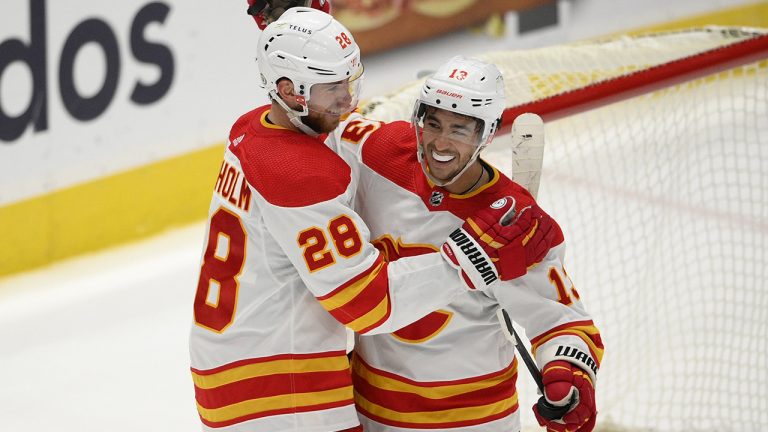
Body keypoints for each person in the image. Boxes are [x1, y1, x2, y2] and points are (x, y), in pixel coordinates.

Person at [189, 9, 557, 432]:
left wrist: (295, 24)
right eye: (333, 89)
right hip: (281, 387)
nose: (347, 101)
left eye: (349, 81)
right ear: (290, 91)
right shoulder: (300, 175)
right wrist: (472, 257)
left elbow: (338, 130)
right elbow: (365, 305)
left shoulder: (254, 126)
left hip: (234, 362)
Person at [331, 56, 604, 432]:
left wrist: (568, 373)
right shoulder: (378, 153)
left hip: (476, 419)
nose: (441, 143)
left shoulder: (514, 221)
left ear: (486, 134)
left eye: (460, 130)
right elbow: (320, 123)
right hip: (373, 410)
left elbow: (562, 320)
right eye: (433, 124)